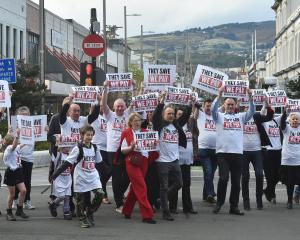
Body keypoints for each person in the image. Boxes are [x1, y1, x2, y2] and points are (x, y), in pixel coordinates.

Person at [50, 126, 105, 228]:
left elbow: (100, 162)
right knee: (80, 201)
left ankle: (90, 211)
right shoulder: (78, 148)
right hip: (80, 177)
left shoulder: (95, 148)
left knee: (100, 194)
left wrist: (107, 170)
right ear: (82, 135)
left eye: (91, 135)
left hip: (93, 176)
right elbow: (67, 163)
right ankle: (82, 218)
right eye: (87, 135)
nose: (89, 137)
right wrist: (55, 174)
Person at [212, 87, 254, 215]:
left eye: (232, 104)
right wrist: (218, 96)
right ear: (224, 105)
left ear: (235, 106)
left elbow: (252, 111)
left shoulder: (241, 117)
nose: (230, 106)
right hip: (222, 153)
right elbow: (213, 109)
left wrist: (250, 97)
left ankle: (233, 206)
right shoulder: (218, 116)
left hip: (237, 153)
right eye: (228, 104)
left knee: (236, 181)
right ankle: (219, 203)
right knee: (224, 178)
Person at [152, 93, 192, 221]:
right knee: (164, 186)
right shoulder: (159, 125)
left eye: (172, 114)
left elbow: (185, 116)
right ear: (164, 115)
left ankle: (160, 200)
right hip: (162, 161)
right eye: (168, 113)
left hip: (175, 160)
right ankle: (166, 211)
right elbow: (155, 116)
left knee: (179, 183)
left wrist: (190, 103)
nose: (171, 116)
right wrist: (161, 102)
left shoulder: (176, 125)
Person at [120, 113, 159, 224]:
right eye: (134, 120)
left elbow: (153, 147)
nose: (137, 122)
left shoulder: (146, 132)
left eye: (138, 120)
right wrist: (131, 147)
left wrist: (156, 144)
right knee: (141, 187)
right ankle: (147, 215)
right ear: (130, 122)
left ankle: (127, 210)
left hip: (144, 162)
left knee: (135, 188)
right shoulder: (126, 133)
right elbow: (122, 150)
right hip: (132, 162)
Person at [102, 81, 133, 212]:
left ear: (125, 107)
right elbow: (103, 104)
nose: (120, 108)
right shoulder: (110, 115)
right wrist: (105, 89)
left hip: (126, 149)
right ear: (114, 107)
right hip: (113, 150)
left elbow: (136, 101)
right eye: (118, 106)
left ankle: (120, 194)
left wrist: (135, 87)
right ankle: (119, 203)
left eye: (122, 106)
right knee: (116, 176)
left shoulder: (127, 114)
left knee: (127, 175)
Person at [242, 99, 274, 210]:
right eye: (246, 107)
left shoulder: (256, 116)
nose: (248, 109)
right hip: (243, 151)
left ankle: (259, 200)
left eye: (249, 107)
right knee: (245, 176)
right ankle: (246, 201)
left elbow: (268, 115)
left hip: (257, 150)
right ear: (244, 109)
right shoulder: (240, 117)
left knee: (260, 174)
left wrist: (266, 103)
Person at [169, 106, 198, 214]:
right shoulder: (174, 126)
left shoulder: (190, 125)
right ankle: (172, 207)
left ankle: (188, 207)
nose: (181, 116)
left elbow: (195, 137)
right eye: (179, 114)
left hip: (187, 159)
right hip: (176, 159)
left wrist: (195, 153)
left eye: (182, 114)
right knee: (175, 183)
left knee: (186, 184)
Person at [254, 108, 282, 204]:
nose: (272, 114)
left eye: (273, 113)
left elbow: (285, 115)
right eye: (270, 113)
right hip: (267, 150)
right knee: (270, 175)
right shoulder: (263, 122)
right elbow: (258, 115)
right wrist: (266, 105)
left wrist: (286, 108)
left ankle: (267, 190)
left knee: (278, 174)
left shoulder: (276, 120)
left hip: (278, 150)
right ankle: (272, 194)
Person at [194, 99, 217, 203]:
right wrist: (196, 105)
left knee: (211, 174)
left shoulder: (217, 115)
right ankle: (211, 193)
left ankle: (206, 194)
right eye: (207, 106)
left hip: (216, 149)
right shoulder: (201, 115)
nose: (209, 108)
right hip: (204, 149)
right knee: (208, 171)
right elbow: (195, 115)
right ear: (204, 106)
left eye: (210, 106)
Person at [3, 129, 29, 221]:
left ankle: (19, 209)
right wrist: (17, 135)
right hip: (11, 172)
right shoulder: (9, 149)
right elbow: (14, 145)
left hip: (18, 171)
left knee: (23, 191)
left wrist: (30, 137)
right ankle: (9, 212)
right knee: (12, 194)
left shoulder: (15, 147)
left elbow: (20, 145)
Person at [13, 106, 35, 210]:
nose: (25, 117)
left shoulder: (33, 127)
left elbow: (43, 136)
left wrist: (45, 130)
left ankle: (27, 201)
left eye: (26, 115)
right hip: (17, 158)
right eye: (22, 116)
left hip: (29, 158)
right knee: (17, 181)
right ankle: (15, 200)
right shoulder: (14, 128)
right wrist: (12, 132)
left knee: (27, 181)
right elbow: (9, 142)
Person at [91, 100, 111, 204]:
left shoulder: (105, 118)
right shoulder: (94, 118)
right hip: (98, 148)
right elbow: (94, 112)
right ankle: (103, 194)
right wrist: (98, 102)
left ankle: (100, 189)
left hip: (108, 149)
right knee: (103, 172)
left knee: (109, 171)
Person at [280, 111, 300, 209]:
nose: (295, 120)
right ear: (290, 121)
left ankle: (297, 193)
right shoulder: (286, 129)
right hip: (288, 160)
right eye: (293, 119)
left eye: (297, 119)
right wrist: (285, 113)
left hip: (299, 160)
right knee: (290, 182)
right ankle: (289, 201)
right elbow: (282, 123)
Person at [142, 111, 160, 210]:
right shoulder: (143, 124)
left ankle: (155, 200)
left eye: (152, 112)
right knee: (147, 181)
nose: (150, 114)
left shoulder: (158, 124)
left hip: (155, 156)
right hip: (144, 155)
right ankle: (148, 202)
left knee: (155, 181)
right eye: (149, 112)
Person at [48, 146, 72, 220]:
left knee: (67, 196)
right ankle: (53, 205)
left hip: (67, 178)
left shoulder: (70, 155)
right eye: (65, 147)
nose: (67, 148)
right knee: (62, 196)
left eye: (68, 147)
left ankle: (66, 212)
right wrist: (56, 142)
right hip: (59, 178)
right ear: (61, 147)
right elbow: (53, 149)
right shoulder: (57, 155)